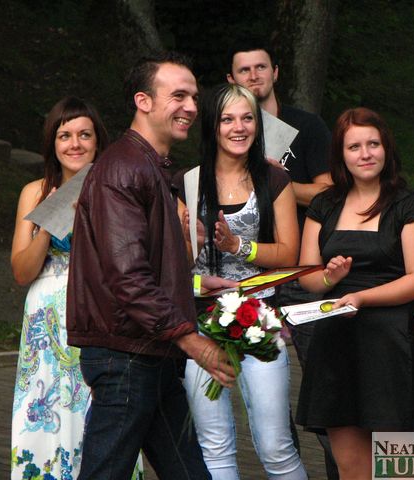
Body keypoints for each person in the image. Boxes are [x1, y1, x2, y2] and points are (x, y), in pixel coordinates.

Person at [66, 53, 236, 480]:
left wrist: (191, 284)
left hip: (149, 350)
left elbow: (142, 264)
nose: (191, 107)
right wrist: (190, 340)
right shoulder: (123, 168)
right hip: (126, 355)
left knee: (189, 473)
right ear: (143, 101)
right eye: (178, 96)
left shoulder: (149, 166)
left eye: (194, 97)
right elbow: (127, 277)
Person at [297, 107, 414, 479]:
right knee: (352, 468)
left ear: (386, 148)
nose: (365, 154)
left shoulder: (410, 205)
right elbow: (308, 277)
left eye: (373, 144)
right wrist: (330, 278)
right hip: (337, 346)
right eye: (354, 146)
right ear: (340, 154)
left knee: (402, 469)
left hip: (391, 345)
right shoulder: (324, 205)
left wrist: (362, 297)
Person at [177, 83, 306, 480]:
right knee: (213, 446)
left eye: (247, 118)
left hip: (259, 318)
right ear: (212, 126)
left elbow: (289, 254)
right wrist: (192, 242)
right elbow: (173, 265)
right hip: (202, 321)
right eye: (228, 119)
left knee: (276, 446)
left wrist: (239, 246)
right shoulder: (188, 182)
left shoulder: (273, 179)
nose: (239, 127)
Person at [226, 39, 337, 478]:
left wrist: (279, 180)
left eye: (260, 67)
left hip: (303, 269)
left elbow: (329, 191)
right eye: (244, 70)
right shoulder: (230, 133)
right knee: (267, 397)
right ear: (231, 79)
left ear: (275, 72)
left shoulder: (305, 125)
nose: (253, 76)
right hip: (253, 276)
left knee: (324, 385)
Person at [10, 96, 127, 479]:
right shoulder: (34, 191)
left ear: (98, 140)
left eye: (84, 135)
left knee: (97, 413)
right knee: (45, 412)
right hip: (45, 319)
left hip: (99, 311)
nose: (74, 144)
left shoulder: (116, 188)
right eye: (65, 135)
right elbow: (21, 272)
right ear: (53, 143)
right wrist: (48, 223)